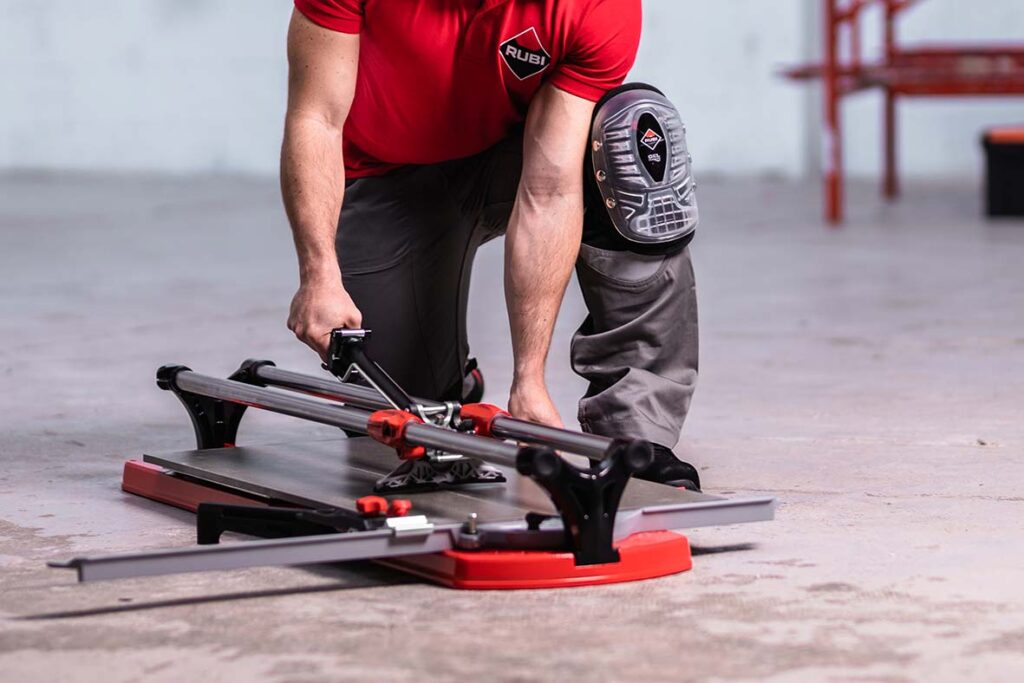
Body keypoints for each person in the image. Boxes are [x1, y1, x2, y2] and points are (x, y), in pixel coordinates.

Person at [281, 0, 702, 489]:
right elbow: (316, 119)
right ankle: (451, 380)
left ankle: (638, 432)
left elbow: (549, 189)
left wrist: (530, 380)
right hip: (390, 179)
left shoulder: (595, 6)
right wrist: (320, 275)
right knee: (395, 410)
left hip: (512, 160)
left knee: (631, 139)